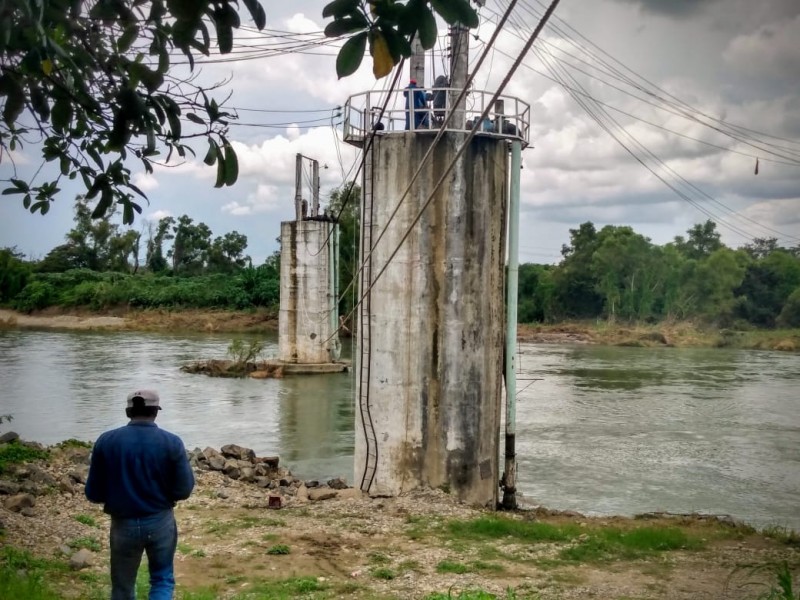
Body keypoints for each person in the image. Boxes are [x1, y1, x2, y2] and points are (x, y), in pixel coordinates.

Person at [86, 390, 195, 600]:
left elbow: (93, 493)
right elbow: (184, 490)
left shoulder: (106, 441)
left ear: (128, 411)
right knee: (162, 579)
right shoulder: (172, 442)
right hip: (160, 519)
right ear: (155, 411)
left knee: (122, 586)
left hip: (122, 524)